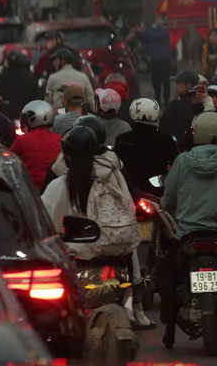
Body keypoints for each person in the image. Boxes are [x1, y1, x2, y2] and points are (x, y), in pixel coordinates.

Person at [41, 126, 142, 320]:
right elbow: (130, 208)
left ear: (68, 155)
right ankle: (134, 311)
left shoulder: (60, 186)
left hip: (80, 263)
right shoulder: (115, 175)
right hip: (118, 258)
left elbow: (46, 223)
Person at [160, 112, 217, 347]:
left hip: (187, 237)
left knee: (168, 277)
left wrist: (168, 207)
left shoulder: (182, 161)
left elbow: (168, 200)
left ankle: (169, 329)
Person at [113, 98, 178, 197]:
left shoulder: (122, 140)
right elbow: (177, 165)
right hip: (156, 193)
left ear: (132, 113)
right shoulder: (166, 140)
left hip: (127, 193)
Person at [9, 100, 60, 187]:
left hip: (28, 189)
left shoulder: (22, 140)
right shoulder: (59, 139)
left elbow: (8, 161)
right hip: (52, 190)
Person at [128, 17, 173, 104]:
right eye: (156, 19)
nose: (157, 21)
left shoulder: (165, 31)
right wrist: (138, 33)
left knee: (165, 82)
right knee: (156, 83)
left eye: (159, 19)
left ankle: (166, 102)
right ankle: (158, 101)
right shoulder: (153, 31)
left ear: (163, 21)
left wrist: (141, 31)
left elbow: (152, 36)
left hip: (164, 60)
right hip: (155, 61)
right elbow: (145, 39)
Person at [160, 69, 206, 149]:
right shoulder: (203, 106)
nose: (176, 88)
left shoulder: (174, 106)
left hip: (176, 149)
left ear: (188, 86)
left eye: (178, 84)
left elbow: (163, 132)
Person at [0, 49, 37, 120]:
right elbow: (35, 92)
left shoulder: (2, 75)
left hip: (9, 112)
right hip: (27, 112)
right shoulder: (29, 75)